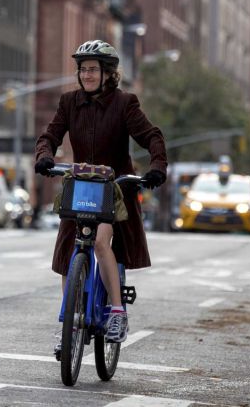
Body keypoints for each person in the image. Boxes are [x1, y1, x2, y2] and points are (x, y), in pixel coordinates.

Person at [34, 40, 167, 353]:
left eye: (93, 69)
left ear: (109, 73)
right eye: (83, 70)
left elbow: (152, 137)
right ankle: (68, 323)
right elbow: (50, 135)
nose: (87, 75)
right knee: (69, 252)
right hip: (80, 183)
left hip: (115, 187)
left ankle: (118, 312)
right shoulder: (69, 103)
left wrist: (157, 167)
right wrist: (44, 155)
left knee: (99, 242)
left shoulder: (125, 104)